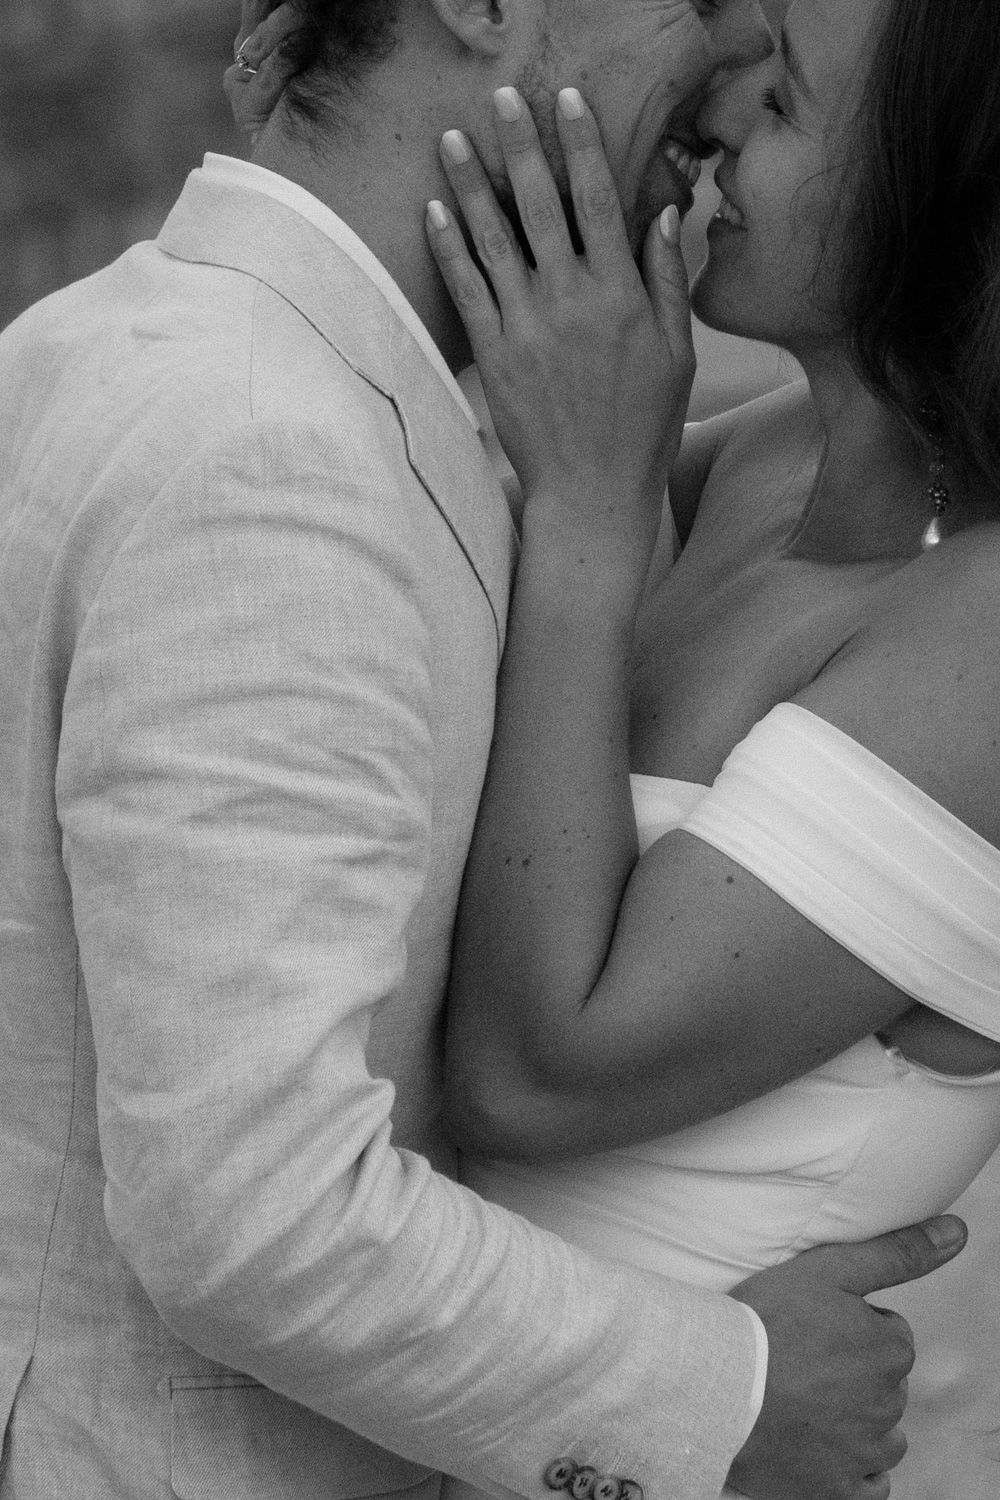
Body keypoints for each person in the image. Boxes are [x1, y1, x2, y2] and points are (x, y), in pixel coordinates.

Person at [0, 0, 966, 1497]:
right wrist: (724, 1393)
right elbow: (262, 1217)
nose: (718, 86)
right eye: (713, 17)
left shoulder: (104, 346)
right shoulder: (278, 454)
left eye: (777, 91)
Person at [408, 0, 1000, 1493]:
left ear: (947, 196)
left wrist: (592, 520)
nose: (716, 108)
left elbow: (536, 1074)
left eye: (785, 101)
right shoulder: (761, 455)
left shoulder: (986, 632)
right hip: (458, 1413)